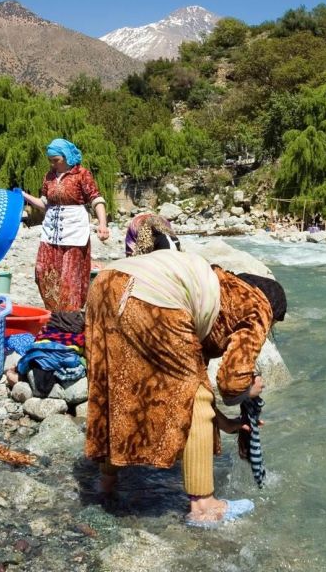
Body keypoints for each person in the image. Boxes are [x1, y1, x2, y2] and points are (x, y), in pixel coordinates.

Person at [85, 249, 287, 527]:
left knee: (116, 385)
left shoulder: (218, 289)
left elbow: (194, 374)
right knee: (193, 397)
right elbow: (228, 383)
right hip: (150, 297)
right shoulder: (257, 305)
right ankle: (204, 506)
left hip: (105, 285)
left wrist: (225, 423)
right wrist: (248, 391)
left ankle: (106, 481)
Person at [21, 138, 109, 311]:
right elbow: (45, 204)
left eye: (56, 160)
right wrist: (24, 195)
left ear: (67, 156)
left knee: (70, 277)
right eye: (50, 160)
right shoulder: (49, 176)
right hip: (50, 231)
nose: (53, 164)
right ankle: (54, 313)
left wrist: (103, 224)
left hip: (74, 230)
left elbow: (95, 199)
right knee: (43, 271)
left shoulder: (82, 174)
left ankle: (69, 318)